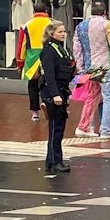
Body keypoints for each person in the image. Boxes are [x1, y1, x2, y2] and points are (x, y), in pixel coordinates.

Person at [74, 2, 110, 138]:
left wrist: (81, 67)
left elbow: (77, 49)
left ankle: (83, 127)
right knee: (108, 98)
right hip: (107, 66)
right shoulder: (107, 24)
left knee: (92, 96)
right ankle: (106, 130)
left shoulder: (81, 25)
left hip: (90, 67)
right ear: (104, 12)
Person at [38, 21, 75, 175]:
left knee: (58, 127)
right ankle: (56, 161)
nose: (63, 34)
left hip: (61, 90)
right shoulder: (49, 50)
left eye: (64, 31)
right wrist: (54, 95)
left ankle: (51, 160)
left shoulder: (62, 49)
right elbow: (49, 75)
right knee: (56, 128)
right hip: (53, 92)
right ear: (51, 33)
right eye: (60, 31)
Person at [19, 5, 54, 121]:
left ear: (33, 11)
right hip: (48, 54)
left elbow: (22, 44)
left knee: (32, 85)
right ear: (46, 10)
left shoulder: (26, 25)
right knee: (48, 82)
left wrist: (20, 62)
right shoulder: (52, 23)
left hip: (32, 57)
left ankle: (35, 112)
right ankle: (46, 103)